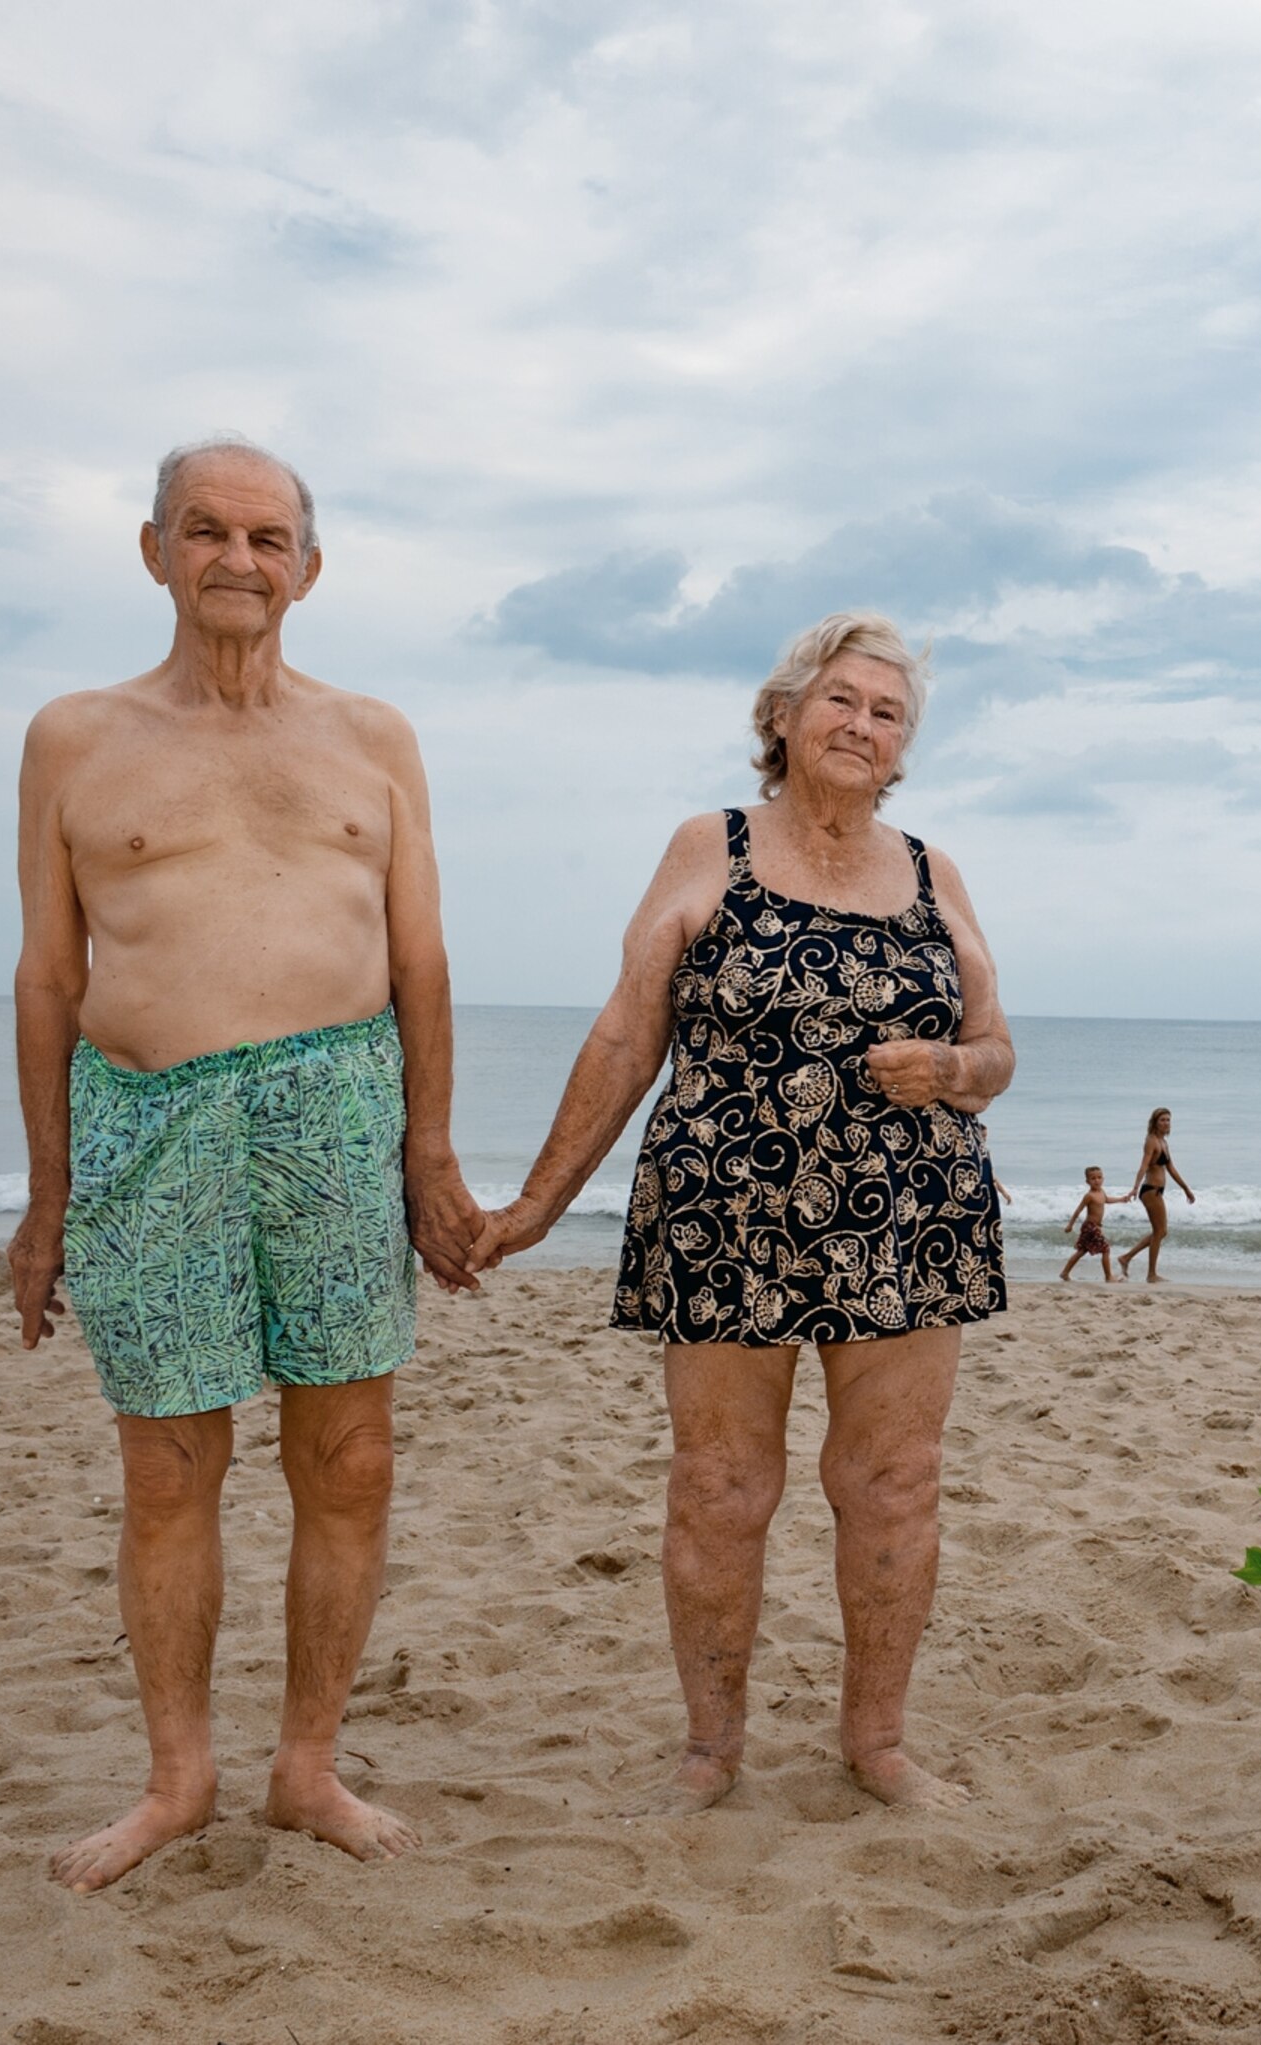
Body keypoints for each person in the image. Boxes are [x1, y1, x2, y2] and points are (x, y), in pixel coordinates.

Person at [7, 438, 482, 1893]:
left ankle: (307, 1765)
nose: (239, 559)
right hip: (148, 1123)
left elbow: (419, 962)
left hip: (338, 1114)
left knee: (347, 1457)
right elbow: (46, 976)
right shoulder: (74, 739)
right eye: (205, 530)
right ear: (153, 551)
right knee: (168, 1465)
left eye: (269, 538)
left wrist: (431, 1152)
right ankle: (178, 1778)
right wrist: (46, 1194)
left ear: (309, 569)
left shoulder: (375, 738)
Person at [472, 612, 1012, 1814]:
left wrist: (958, 1072)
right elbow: (627, 1031)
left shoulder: (934, 871)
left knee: (896, 1483)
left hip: (906, 1218)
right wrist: (534, 1204)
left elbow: (996, 1048)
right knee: (719, 1486)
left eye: (888, 713)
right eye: (842, 701)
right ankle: (710, 1749)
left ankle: (877, 1745)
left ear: (904, 746)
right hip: (727, 1208)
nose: (863, 726)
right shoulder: (707, 843)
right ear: (783, 715)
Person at [1116, 1107, 1194, 1280]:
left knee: (1161, 1231)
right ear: (1155, 1122)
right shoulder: (1151, 1141)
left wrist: (1186, 1188)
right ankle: (1151, 1274)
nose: (1166, 1123)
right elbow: (1144, 1165)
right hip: (1150, 1190)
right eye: (1162, 1120)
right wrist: (1135, 1187)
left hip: (1157, 1190)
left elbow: (1171, 1168)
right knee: (1159, 1231)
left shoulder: (1164, 1142)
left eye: (1168, 1120)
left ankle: (1126, 1258)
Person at [1062, 1166, 1130, 1282]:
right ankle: (1108, 1276)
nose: (1097, 1180)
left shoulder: (1102, 1192)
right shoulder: (1089, 1196)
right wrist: (1070, 1225)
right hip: (1090, 1227)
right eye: (1093, 1178)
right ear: (1087, 1181)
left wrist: (1121, 1199)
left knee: (1082, 1251)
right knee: (1105, 1249)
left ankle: (1065, 1273)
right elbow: (1078, 1210)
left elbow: (1107, 1200)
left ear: (1103, 1178)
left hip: (1095, 1227)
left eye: (1099, 1177)